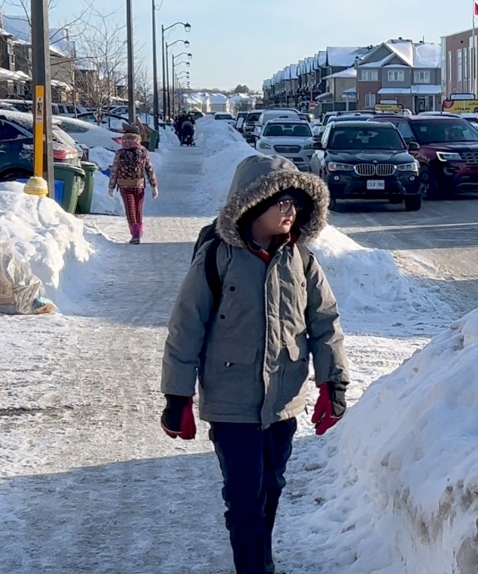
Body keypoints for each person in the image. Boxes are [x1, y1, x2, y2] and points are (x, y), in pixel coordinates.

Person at [160, 154, 350, 574]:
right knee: (245, 498)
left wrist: (331, 384)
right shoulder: (217, 258)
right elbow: (185, 327)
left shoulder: (301, 261)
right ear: (251, 204)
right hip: (232, 403)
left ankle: (259, 560)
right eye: (280, 201)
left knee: (271, 488)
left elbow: (324, 324)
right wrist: (178, 396)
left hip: (283, 402)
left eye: (295, 202)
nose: (290, 210)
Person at [107, 124, 158, 244]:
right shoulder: (143, 151)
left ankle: (135, 233)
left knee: (130, 210)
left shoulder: (120, 152)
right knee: (138, 209)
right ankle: (139, 230)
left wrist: (111, 186)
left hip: (124, 185)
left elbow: (115, 170)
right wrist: (154, 185)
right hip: (139, 184)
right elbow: (149, 169)